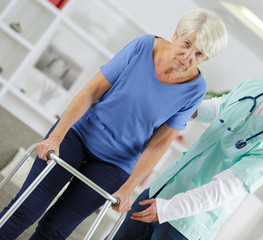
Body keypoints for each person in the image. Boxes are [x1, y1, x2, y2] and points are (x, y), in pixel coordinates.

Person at [0, 9, 227, 240]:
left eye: (199, 54)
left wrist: (128, 189)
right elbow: (92, 91)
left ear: (206, 58)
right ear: (176, 34)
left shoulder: (195, 89)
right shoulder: (143, 46)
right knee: (25, 210)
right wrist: (56, 136)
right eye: (186, 44)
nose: (188, 57)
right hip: (78, 135)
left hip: (115, 163)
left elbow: (159, 144)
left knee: (55, 231)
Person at [112, 52, 263, 240]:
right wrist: (180, 109)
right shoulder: (257, 86)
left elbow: (224, 189)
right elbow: (221, 107)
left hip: (188, 221)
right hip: (164, 187)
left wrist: (168, 209)